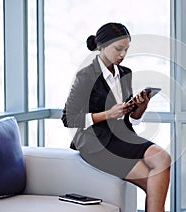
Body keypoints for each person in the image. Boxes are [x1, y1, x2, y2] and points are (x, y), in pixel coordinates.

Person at [61, 22, 171, 212]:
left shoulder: (125, 73)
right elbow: (68, 118)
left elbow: (131, 119)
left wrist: (140, 108)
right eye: (118, 49)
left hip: (122, 137)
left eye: (126, 50)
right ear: (102, 46)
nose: (123, 55)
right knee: (153, 179)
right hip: (96, 142)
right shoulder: (85, 76)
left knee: (163, 158)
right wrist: (108, 114)